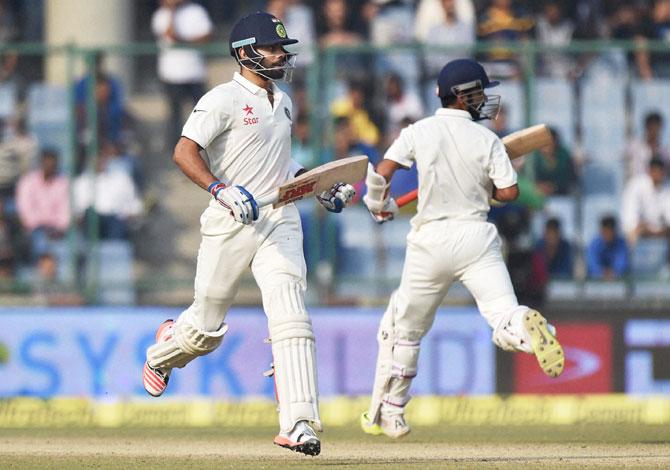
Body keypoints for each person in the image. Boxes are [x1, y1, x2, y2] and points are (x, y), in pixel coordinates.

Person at [141, 12, 356, 456]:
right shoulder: (221, 98)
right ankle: (162, 352)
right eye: (273, 49)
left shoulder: (285, 100)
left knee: (291, 314)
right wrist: (219, 189)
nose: (281, 56)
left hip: (278, 218)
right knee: (204, 330)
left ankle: (299, 423)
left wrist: (319, 185)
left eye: (282, 48)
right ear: (245, 54)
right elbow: (184, 151)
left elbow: (284, 168)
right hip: (231, 220)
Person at [360, 59, 564, 439]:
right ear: (461, 95)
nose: (486, 98)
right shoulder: (487, 140)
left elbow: (381, 171)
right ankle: (529, 326)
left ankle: (393, 413)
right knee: (502, 313)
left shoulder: (418, 130)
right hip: (476, 238)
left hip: (429, 242)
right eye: (480, 91)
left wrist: (378, 204)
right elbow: (510, 193)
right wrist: (485, 188)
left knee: (405, 330)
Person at [151, 0, 213, 150]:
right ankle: (176, 151)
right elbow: (170, 35)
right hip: (171, 75)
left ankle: (205, 149)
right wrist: (171, 12)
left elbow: (206, 36)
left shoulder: (196, 11)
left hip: (194, 73)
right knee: (175, 117)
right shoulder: (160, 15)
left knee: (202, 115)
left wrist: (186, 41)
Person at [15, 149, 70, 261]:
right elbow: (25, 211)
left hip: (58, 231)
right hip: (34, 229)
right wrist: (40, 225)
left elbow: (66, 210)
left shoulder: (64, 182)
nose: (50, 166)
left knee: (77, 244)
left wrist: (59, 228)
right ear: (41, 163)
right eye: (47, 163)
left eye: (53, 163)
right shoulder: (27, 182)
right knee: (39, 241)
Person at [621, 158, 670, 246]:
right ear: (650, 171)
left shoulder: (667, 186)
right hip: (641, 229)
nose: (659, 175)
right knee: (632, 233)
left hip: (661, 230)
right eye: (656, 171)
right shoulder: (636, 185)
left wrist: (659, 230)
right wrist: (643, 227)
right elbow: (630, 217)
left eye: (661, 172)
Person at [586, 215, 629, 280]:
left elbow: (622, 265)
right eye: (605, 231)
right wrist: (602, 273)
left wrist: (613, 273)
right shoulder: (594, 244)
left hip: (618, 283)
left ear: (615, 231)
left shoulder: (621, 243)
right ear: (601, 231)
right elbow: (592, 266)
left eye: (610, 231)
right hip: (596, 284)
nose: (608, 234)